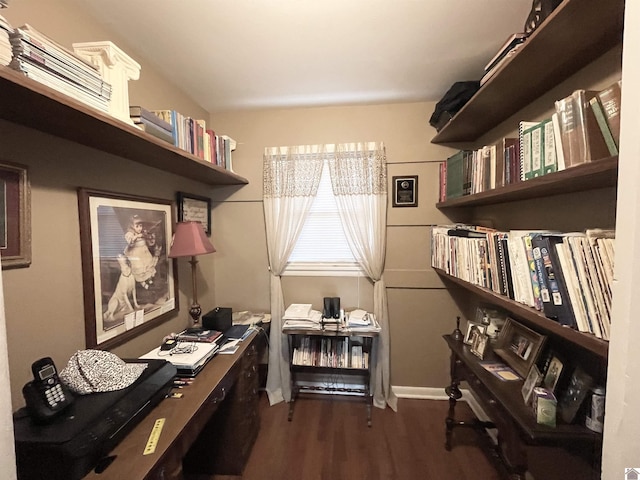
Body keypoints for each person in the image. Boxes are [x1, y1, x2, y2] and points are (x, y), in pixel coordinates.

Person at [124, 214, 161, 289]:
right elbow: (130, 243)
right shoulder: (130, 234)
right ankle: (142, 282)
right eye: (137, 226)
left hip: (144, 251)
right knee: (139, 267)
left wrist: (150, 238)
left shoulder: (143, 232)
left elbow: (149, 242)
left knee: (148, 264)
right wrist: (137, 236)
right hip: (136, 253)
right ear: (131, 226)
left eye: (140, 226)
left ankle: (149, 279)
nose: (139, 228)